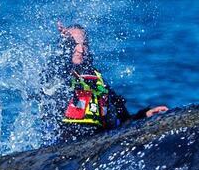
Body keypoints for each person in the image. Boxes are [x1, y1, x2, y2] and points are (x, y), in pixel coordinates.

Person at [40, 22, 168, 142]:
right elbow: (49, 76)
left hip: (96, 144)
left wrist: (144, 116)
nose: (80, 49)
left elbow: (124, 121)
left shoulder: (98, 82)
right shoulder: (58, 76)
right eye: (73, 43)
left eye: (84, 44)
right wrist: (65, 45)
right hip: (64, 145)